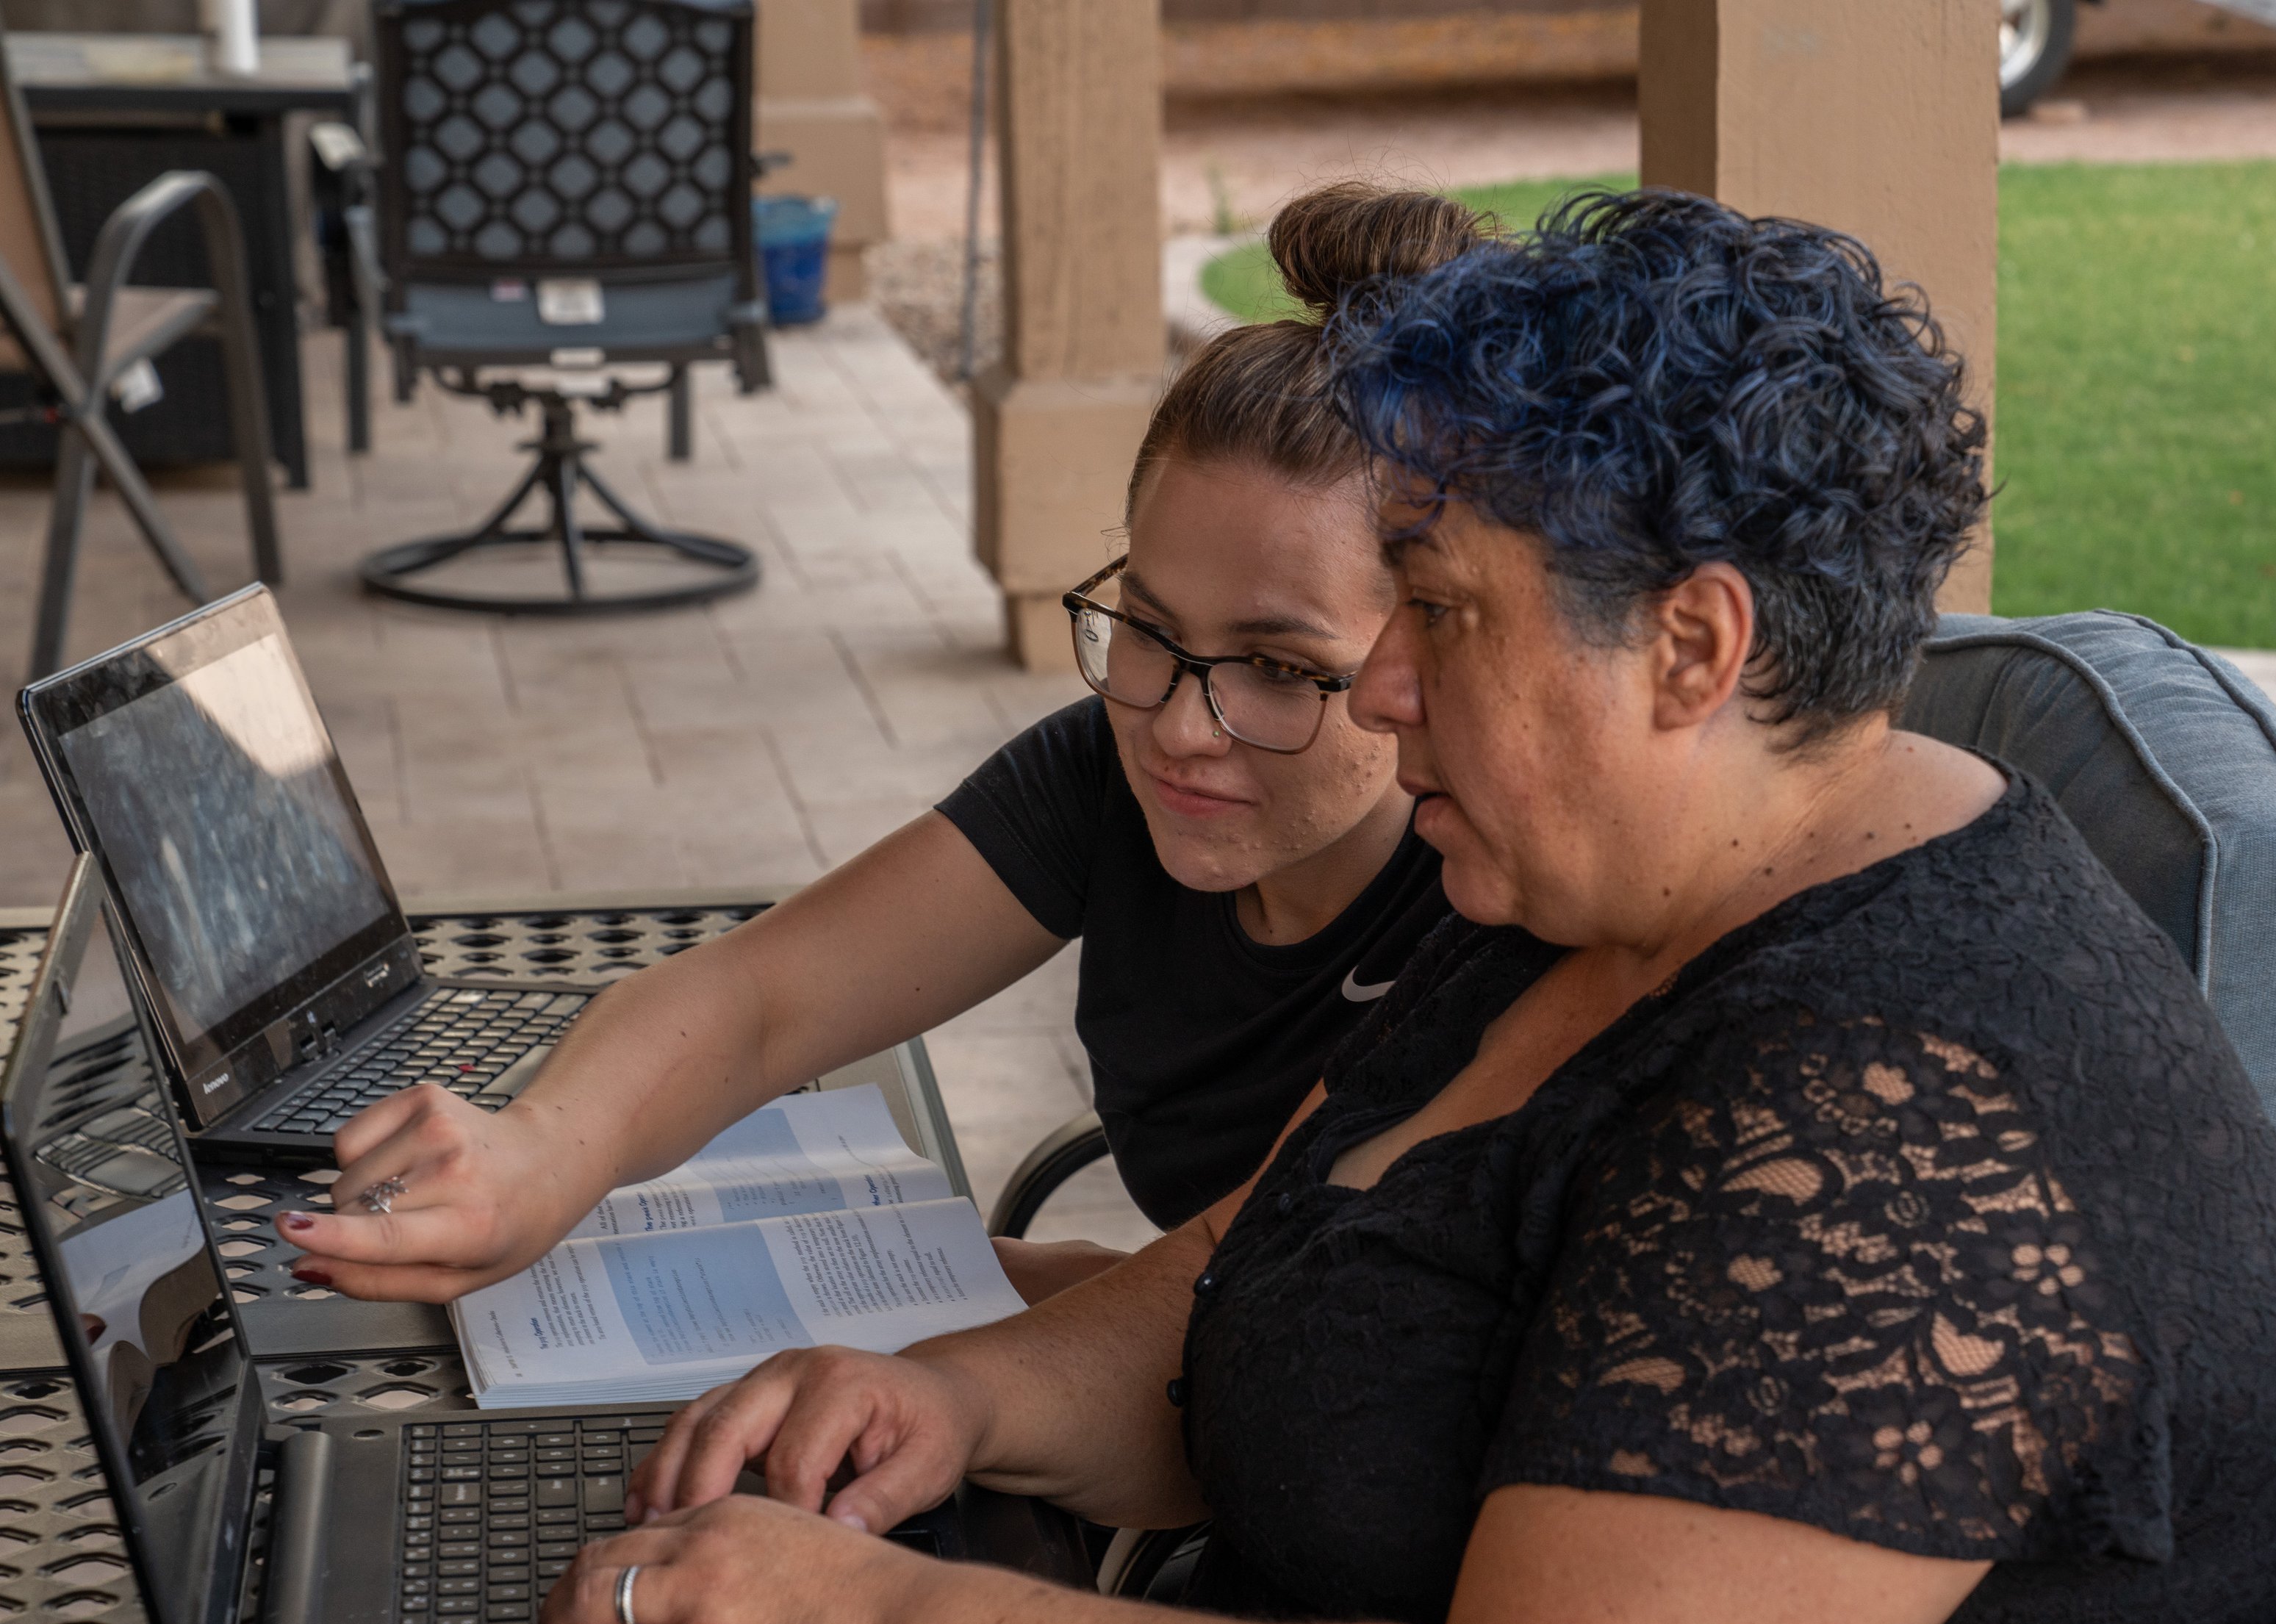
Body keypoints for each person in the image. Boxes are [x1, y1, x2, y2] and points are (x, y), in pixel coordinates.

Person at [537, 191, 2276, 1624]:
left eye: (1442, 612)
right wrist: (967, 1398)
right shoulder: (1582, 893)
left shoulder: (1897, 1112)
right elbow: (1264, 1282)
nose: (1380, 680)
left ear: (1691, 651)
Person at [273, 184, 1481, 1304]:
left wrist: (1011, 1299)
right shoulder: (1107, 776)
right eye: (1148, 629)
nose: (1174, 726)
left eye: (1275, 668)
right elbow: (762, 999)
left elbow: (1295, 1318)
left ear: (1424, 654)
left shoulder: (1483, 914)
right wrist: (532, 1153)